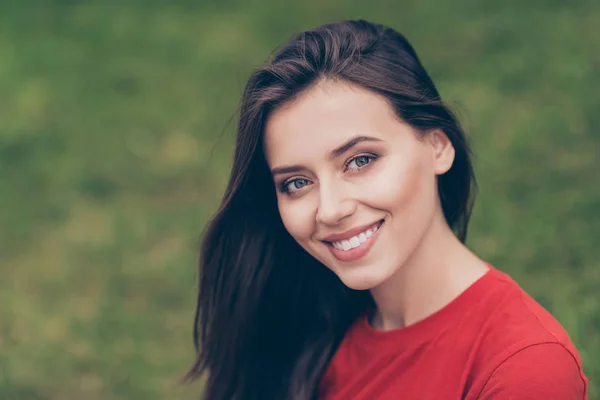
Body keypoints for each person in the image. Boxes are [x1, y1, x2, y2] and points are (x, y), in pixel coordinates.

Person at [186, 20, 589, 399]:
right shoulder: (301, 323)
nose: (329, 209)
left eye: (360, 160)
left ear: (438, 146)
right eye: (297, 183)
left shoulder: (524, 368)